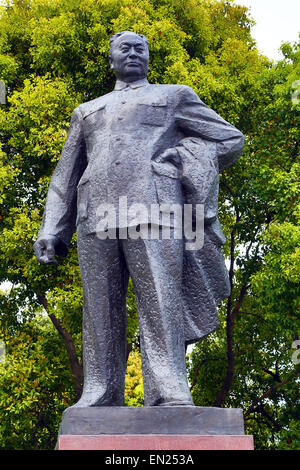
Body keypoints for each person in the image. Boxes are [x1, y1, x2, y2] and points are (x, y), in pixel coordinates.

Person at [34, 31, 244, 407]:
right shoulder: (87, 111)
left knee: (161, 300)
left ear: (148, 57)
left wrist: (181, 156)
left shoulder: (173, 95)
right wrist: (52, 227)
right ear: (111, 59)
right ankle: (99, 391)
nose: (132, 53)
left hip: (155, 211)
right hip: (95, 216)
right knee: (99, 308)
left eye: (140, 48)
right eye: (124, 49)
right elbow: (65, 175)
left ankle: (168, 390)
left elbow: (229, 139)